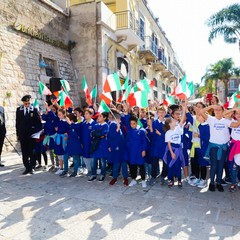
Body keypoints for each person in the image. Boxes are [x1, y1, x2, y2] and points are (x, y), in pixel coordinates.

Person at [200, 104, 240, 192]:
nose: (218, 111)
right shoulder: (211, 119)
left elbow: (236, 125)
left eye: (220, 110)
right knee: (214, 166)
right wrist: (211, 106)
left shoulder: (226, 121)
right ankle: (211, 183)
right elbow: (201, 112)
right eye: (216, 110)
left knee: (221, 166)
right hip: (214, 146)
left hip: (224, 147)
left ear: (223, 111)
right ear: (213, 111)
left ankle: (218, 183)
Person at [16, 95, 42, 174]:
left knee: (32, 151)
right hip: (23, 134)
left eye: (28, 103)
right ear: (23, 103)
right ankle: (27, 167)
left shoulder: (34, 109)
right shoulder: (19, 110)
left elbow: (38, 122)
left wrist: (38, 132)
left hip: (32, 134)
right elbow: (17, 123)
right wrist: (18, 134)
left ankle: (32, 166)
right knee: (24, 151)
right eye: (26, 103)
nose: (27, 105)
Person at [163, 103, 186, 188]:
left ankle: (179, 180)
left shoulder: (178, 128)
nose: (174, 122)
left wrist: (184, 108)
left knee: (178, 165)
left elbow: (182, 118)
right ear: (169, 124)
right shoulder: (168, 133)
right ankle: (171, 180)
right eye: (172, 121)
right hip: (171, 150)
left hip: (178, 149)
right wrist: (172, 153)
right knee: (170, 165)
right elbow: (168, 143)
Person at [126, 114, 147, 188]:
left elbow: (144, 141)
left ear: (137, 123)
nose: (132, 125)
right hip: (132, 152)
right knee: (132, 166)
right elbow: (127, 141)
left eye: (134, 123)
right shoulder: (129, 131)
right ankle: (134, 179)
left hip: (139, 151)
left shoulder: (141, 131)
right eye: (131, 124)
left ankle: (143, 180)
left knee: (141, 166)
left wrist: (144, 150)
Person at [88, 112, 109, 182]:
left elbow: (103, 134)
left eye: (100, 116)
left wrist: (97, 134)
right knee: (93, 161)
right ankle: (93, 175)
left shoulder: (106, 125)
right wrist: (99, 134)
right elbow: (92, 133)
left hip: (102, 146)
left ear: (104, 118)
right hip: (95, 146)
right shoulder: (96, 125)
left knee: (103, 162)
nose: (98, 117)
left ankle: (102, 174)